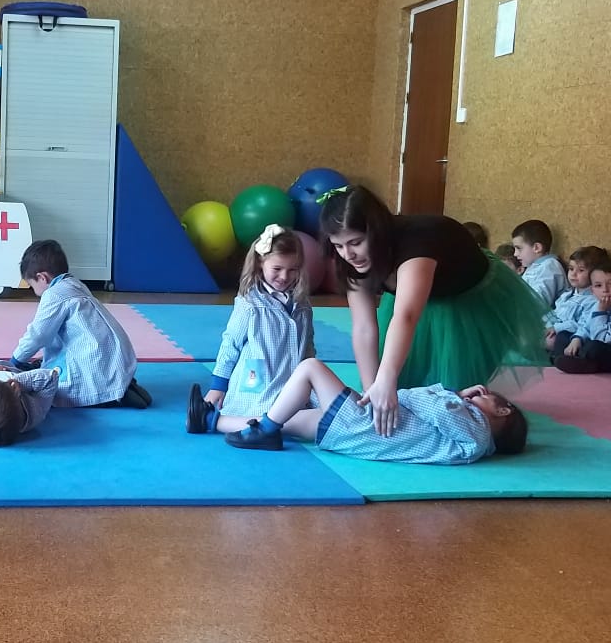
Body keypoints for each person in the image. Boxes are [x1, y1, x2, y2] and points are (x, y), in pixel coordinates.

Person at [318, 185, 546, 435]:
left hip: (468, 298)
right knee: (395, 386)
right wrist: (371, 389)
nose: (348, 254)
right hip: (413, 296)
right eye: (339, 246)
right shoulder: (348, 260)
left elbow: (406, 316)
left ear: (377, 232)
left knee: (451, 400)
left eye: (356, 243)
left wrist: (386, 380)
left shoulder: (417, 244)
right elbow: (363, 327)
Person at [219, 357, 528, 462]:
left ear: (503, 411)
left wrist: (455, 396)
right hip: (358, 435)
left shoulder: (477, 432)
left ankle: (265, 430)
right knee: (287, 420)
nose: (477, 397)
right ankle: (214, 421)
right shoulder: (470, 440)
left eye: (487, 397)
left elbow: (433, 406)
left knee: (310, 368)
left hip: (365, 425)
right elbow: (439, 414)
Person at [186, 224, 314, 434]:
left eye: (292, 270)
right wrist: (218, 386)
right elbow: (231, 343)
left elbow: (308, 346)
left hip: (291, 385)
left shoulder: (302, 305)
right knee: (269, 416)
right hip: (259, 385)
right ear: (261, 262)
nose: (284, 276)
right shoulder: (250, 303)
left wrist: (310, 383)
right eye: (277, 269)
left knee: (317, 413)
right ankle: (210, 419)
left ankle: (212, 420)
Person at [10, 239, 151, 408]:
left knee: (45, 390)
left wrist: (16, 360)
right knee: (46, 362)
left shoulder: (53, 294)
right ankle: (121, 387)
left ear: (42, 277)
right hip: (118, 363)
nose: (35, 292)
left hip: (96, 369)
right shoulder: (76, 285)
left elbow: (37, 335)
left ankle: (109, 395)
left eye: (32, 286)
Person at [547, 245, 607, 356]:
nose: (573, 274)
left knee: (552, 341)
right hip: (552, 328)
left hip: (570, 337)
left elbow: (582, 325)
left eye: (581, 270)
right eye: (571, 269)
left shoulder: (593, 300)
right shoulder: (566, 294)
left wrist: (556, 328)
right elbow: (555, 313)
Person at [511, 219, 568, 309]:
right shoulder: (533, 266)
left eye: (519, 248)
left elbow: (537, 305)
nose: (515, 254)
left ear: (537, 248)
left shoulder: (550, 267)